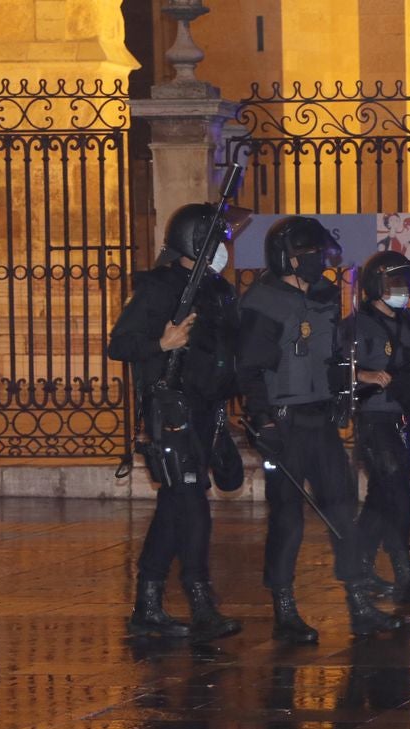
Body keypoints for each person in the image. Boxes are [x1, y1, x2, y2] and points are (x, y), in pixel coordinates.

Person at [237, 216, 404, 641]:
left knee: (342, 512)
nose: (319, 264)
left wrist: (348, 389)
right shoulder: (264, 302)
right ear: (288, 258)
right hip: (285, 423)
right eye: (311, 256)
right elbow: (250, 369)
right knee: (288, 520)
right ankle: (285, 609)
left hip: (320, 420)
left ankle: (359, 604)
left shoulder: (327, 299)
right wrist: (262, 421)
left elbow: (332, 359)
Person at [108, 203, 243, 642]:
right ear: (194, 242)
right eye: (216, 240)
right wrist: (160, 342)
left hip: (207, 412)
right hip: (172, 413)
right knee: (192, 507)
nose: (224, 248)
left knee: (173, 507)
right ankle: (201, 601)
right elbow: (121, 344)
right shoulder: (159, 287)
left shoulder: (217, 290)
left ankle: (147, 606)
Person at [345, 251, 410, 603]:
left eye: (405, 283)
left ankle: (360, 564)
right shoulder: (356, 325)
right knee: (399, 494)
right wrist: (363, 375)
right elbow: (333, 370)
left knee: (381, 496)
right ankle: (404, 573)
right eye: (395, 283)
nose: (402, 290)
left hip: (404, 416)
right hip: (375, 418)